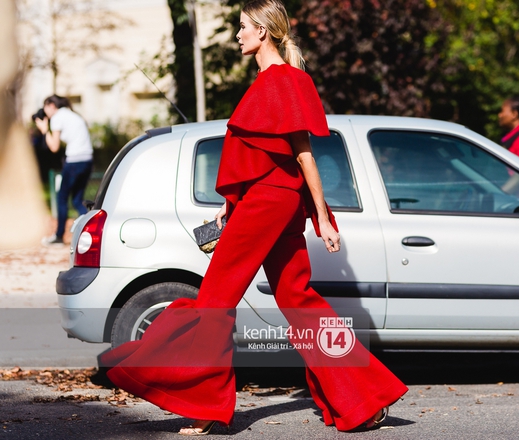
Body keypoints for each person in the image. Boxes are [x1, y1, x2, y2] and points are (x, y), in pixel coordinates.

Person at [100, 0, 408, 435]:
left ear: (263, 31)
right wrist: (234, 203)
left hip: (268, 204)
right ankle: (365, 397)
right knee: (298, 300)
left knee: (214, 300)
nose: (238, 35)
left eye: (243, 27)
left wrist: (321, 215)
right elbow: (260, 155)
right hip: (271, 202)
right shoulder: (277, 82)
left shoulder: (282, 80)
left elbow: (304, 155)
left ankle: (205, 404)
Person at [35, 95, 93, 245]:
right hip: (87, 160)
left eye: (45, 107)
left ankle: (59, 236)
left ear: (51, 105)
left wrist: (44, 130)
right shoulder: (72, 114)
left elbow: (53, 147)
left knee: (62, 198)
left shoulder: (57, 117)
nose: (45, 112)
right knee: (76, 200)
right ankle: (92, 231)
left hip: (74, 161)